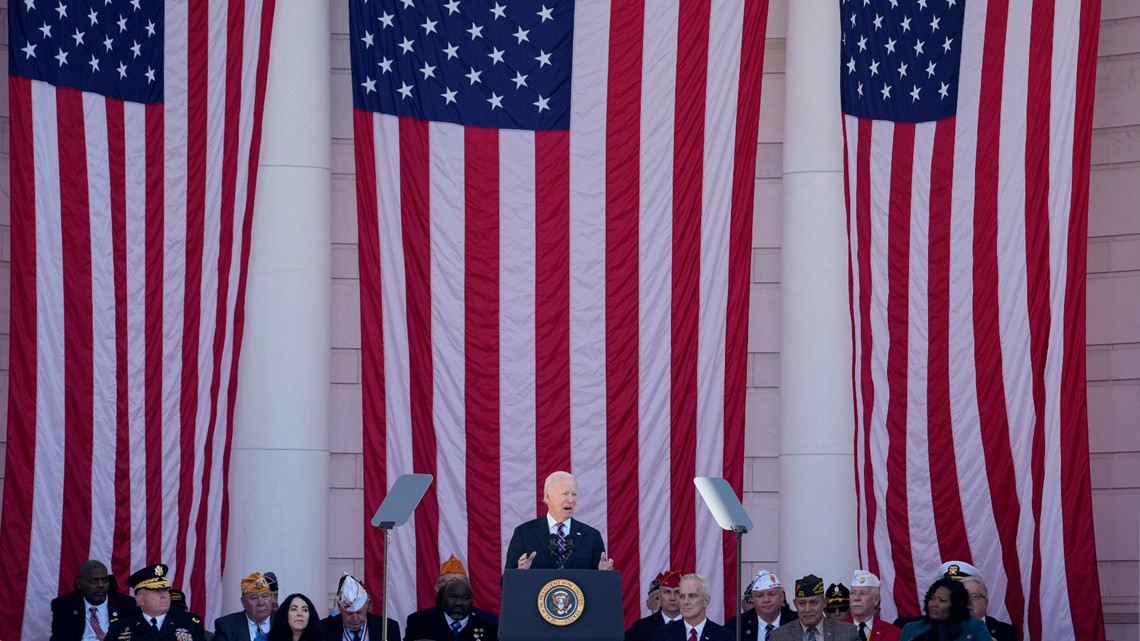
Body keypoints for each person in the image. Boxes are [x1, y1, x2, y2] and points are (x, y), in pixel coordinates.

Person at [504, 471, 613, 571]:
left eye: (574, 494)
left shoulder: (591, 536)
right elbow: (506, 584)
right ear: (548, 495)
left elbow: (602, 586)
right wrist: (519, 573)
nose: (571, 500)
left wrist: (604, 574)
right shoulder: (524, 534)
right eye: (565, 494)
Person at [104, 564, 207, 641]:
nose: (164, 595)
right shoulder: (120, 628)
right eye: (156, 591)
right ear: (140, 600)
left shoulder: (190, 624)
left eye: (166, 590)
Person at [51, 560, 138, 641]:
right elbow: (60, 637)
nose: (101, 585)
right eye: (93, 581)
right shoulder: (64, 605)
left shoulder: (127, 604)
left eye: (104, 580)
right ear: (80, 583)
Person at [404, 576, 498, 641]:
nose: (458, 602)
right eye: (453, 597)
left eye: (465, 598)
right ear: (444, 598)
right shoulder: (419, 622)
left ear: (472, 599)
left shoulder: (488, 623)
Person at [898, 578, 991, 641]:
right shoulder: (910, 628)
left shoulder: (974, 627)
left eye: (942, 600)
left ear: (955, 605)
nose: (934, 604)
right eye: (931, 598)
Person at [770, 575, 858, 641]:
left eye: (813, 602)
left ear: (824, 603)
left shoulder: (848, 633)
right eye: (802, 603)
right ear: (795, 604)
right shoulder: (779, 636)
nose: (807, 609)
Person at [319, 575, 400, 641]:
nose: (355, 618)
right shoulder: (324, 629)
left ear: (367, 605)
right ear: (339, 607)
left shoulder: (388, 628)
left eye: (359, 612)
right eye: (349, 613)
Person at [652, 574, 730, 641]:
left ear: (706, 601)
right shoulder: (664, 633)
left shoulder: (724, 636)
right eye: (682, 596)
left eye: (692, 596)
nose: (686, 602)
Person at [725, 570, 798, 641]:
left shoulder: (797, 621)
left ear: (782, 596)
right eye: (760, 595)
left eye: (771, 594)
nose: (766, 600)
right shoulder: (737, 625)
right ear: (753, 599)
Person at [215, 573, 274, 641]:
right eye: (254, 598)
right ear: (243, 602)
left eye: (265, 596)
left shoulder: (284, 621)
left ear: (271, 598)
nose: (261, 603)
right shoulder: (226, 626)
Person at [626, 571, 682, 641]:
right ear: (660, 596)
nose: (672, 598)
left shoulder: (695, 624)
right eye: (667, 592)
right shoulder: (641, 628)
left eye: (677, 592)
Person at [846, 571, 900, 641]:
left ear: (876, 600)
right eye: (853, 593)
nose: (856, 598)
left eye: (862, 593)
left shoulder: (894, 633)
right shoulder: (836, 631)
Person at [959, 575, 1015, 641]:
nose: (968, 601)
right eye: (963, 596)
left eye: (974, 596)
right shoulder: (947, 629)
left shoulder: (1006, 632)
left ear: (985, 603)